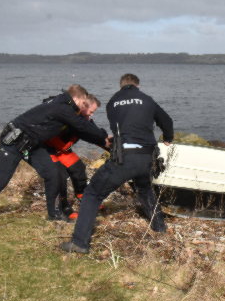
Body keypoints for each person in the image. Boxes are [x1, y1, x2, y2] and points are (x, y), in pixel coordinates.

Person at [0, 84, 108, 231]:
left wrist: (107, 141)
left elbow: (84, 127)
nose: (83, 107)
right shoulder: (61, 108)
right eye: (83, 103)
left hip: (33, 146)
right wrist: (104, 137)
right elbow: (82, 127)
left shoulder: (65, 107)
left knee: (53, 173)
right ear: (76, 99)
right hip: (12, 144)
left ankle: (54, 215)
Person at [61, 73, 174, 255]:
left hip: (125, 157)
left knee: (92, 193)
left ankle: (80, 242)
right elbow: (167, 121)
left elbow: (120, 127)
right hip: (147, 156)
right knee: (144, 188)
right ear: (137, 86)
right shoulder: (147, 99)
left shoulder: (112, 102)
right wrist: (168, 138)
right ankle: (159, 227)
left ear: (121, 86)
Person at [46, 94, 101, 218]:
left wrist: (110, 147)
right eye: (91, 112)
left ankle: (83, 196)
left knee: (79, 168)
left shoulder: (84, 120)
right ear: (83, 106)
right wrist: (62, 147)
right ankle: (63, 208)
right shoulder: (66, 116)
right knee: (60, 176)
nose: (92, 115)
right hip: (48, 150)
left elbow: (97, 136)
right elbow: (48, 135)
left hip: (62, 150)